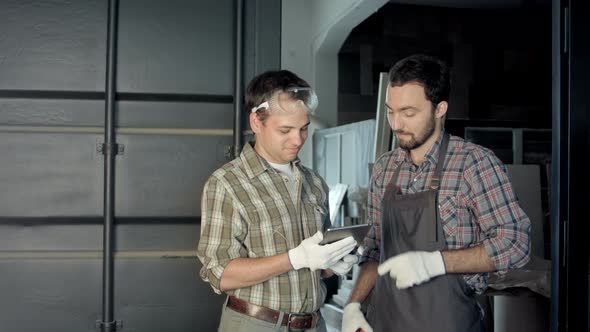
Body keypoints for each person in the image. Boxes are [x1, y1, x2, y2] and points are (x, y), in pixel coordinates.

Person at [341, 54, 531, 332]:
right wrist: (353, 306)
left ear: (440, 108)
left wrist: (436, 262)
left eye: (408, 113)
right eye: (390, 111)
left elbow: (515, 244)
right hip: (385, 323)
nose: (396, 124)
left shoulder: (474, 163)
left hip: (448, 323)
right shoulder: (385, 169)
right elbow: (374, 250)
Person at [197, 70, 358, 332]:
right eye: (286, 130)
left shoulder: (314, 183)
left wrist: (332, 263)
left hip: (314, 325)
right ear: (257, 123)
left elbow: (314, 263)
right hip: (255, 325)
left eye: (304, 128)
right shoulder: (227, 184)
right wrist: (294, 258)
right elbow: (221, 273)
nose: (298, 139)